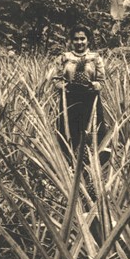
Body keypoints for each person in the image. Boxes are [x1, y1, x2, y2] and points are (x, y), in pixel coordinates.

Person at [51, 25, 107, 159]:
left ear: (88, 40)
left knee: (91, 131)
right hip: (70, 100)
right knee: (69, 131)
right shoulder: (64, 58)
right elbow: (56, 80)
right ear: (71, 41)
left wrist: (93, 85)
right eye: (76, 39)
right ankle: (70, 161)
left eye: (82, 39)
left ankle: (91, 162)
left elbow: (102, 81)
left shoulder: (95, 58)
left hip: (90, 99)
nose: (79, 42)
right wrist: (66, 86)